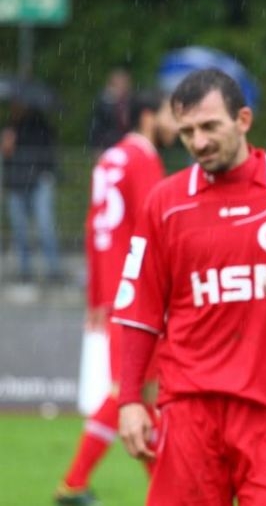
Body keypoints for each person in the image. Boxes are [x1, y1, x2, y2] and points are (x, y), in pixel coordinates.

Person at [112, 69, 266, 505]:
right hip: (189, 410)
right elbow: (137, 309)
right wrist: (129, 399)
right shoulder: (164, 203)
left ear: (243, 119)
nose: (198, 142)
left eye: (209, 127)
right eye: (187, 132)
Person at [55, 90, 178, 506]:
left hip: (114, 288)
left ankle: (166, 491)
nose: (177, 126)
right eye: (170, 115)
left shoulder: (110, 158)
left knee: (147, 393)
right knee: (127, 391)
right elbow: (158, 224)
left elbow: (94, 228)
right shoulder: (143, 160)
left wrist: (97, 295)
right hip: (139, 292)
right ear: (148, 117)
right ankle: (73, 483)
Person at [1, 100, 61, 283]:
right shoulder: (9, 128)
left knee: (45, 227)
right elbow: (7, 156)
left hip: (38, 181)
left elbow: (48, 152)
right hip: (16, 183)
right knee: (20, 230)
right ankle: (24, 269)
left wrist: (45, 174)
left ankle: (53, 268)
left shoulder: (39, 125)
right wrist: (7, 145)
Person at [88, 68, 132, 152]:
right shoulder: (104, 102)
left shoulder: (127, 101)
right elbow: (96, 127)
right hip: (107, 144)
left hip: (121, 144)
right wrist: (97, 146)